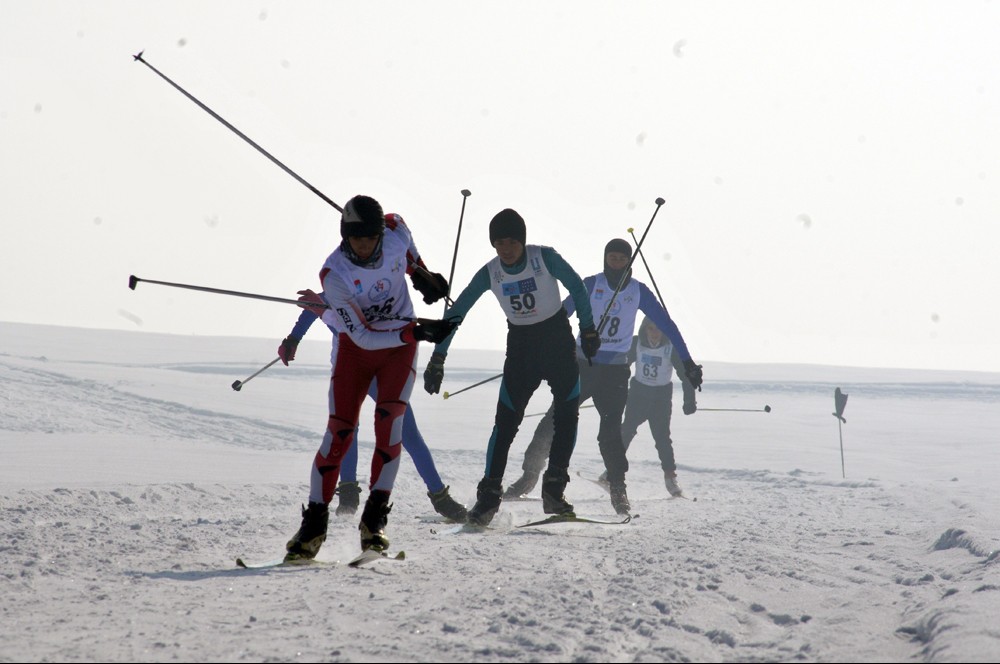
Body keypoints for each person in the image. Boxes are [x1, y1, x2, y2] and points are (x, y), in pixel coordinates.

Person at [284, 194, 457, 561]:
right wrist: (416, 333)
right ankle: (314, 523)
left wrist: (423, 274)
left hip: (398, 354)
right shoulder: (335, 275)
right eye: (354, 238)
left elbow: (404, 243)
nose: (362, 245)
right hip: (358, 351)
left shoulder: (394, 232)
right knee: (340, 431)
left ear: (379, 234)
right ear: (344, 236)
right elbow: (362, 336)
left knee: (390, 425)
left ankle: (374, 520)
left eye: (368, 237)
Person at [422, 208, 600, 526]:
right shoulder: (491, 273)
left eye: (512, 242)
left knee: (567, 416)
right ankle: (488, 498)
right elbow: (457, 313)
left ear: (523, 240)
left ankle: (554, 492)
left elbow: (577, 286)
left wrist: (587, 329)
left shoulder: (545, 258)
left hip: (558, 343)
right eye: (499, 242)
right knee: (505, 424)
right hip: (522, 348)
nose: (506, 248)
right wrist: (438, 358)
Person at [503, 238, 703, 515]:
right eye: (612, 257)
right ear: (605, 258)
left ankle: (618, 489)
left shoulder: (638, 291)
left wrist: (687, 361)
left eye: (622, 259)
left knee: (610, 433)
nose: (616, 263)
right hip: (581, 366)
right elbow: (560, 315)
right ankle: (529, 476)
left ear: (628, 261)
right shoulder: (590, 284)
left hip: (615, 373)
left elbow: (667, 325)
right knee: (554, 420)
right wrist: (540, 343)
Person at [277, 309, 468, 522]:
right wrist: (293, 339)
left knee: (408, 433)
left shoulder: (384, 287)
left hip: (384, 371)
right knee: (347, 430)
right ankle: (348, 494)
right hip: (349, 369)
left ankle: (440, 498)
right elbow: (313, 305)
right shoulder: (339, 285)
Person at [616, 315, 698, 497]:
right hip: (638, 396)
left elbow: (685, 375)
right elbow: (620, 367)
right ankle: (613, 471)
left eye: (658, 328)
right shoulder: (636, 343)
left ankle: (670, 478)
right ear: (645, 329)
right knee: (626, 431)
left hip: (660, 399)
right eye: (651, 328)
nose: (655, 333)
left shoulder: (671, 348)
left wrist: (689, 400)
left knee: (662, 439)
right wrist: (615, 389)